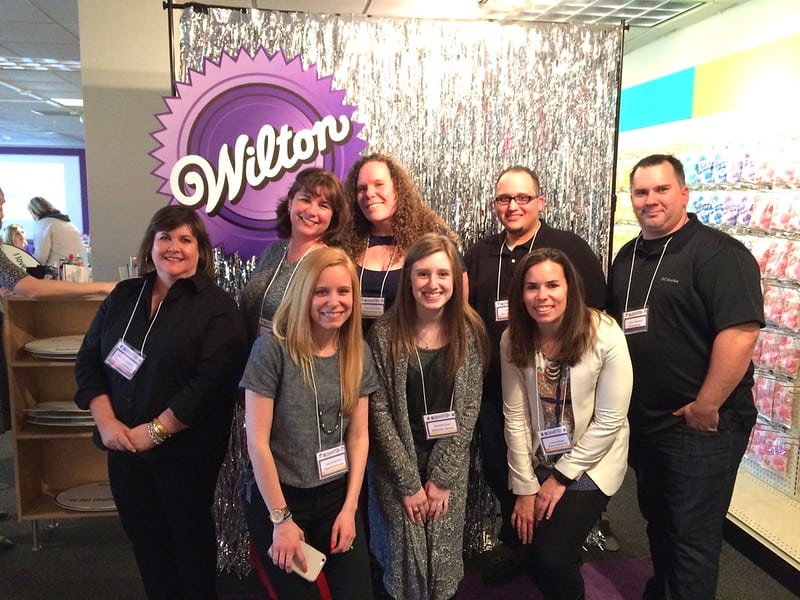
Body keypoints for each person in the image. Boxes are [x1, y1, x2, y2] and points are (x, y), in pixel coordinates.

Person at [608, 154, 764, 600]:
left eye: (661, 190)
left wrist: (706, 405)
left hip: (700, 426)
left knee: (692, 538)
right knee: (660, 523)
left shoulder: (719, 254)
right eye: (641, 192)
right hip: (648, 423)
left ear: (683, 193)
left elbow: (739, 333)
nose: (650, 200)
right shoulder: (628, 255)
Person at [74, 204, 248, 599]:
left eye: (185, 239)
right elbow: (88, 362)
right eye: (165, 237)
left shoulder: (217, 308)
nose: (174, 247)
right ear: (150, 245)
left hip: (185, 455)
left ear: (200, 250)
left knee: (188, 546)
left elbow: (211, 384)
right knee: (146, 544)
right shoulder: (124, 295)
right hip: (123, 449)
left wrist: (154, 432)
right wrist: (106, 423)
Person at [464, 165, 608, 582]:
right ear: (495, 205)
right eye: (504, 199)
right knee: (502, 468)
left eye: (522, 198)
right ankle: (521, 540)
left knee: (561, 474)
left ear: (540, 202)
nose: (513, 206)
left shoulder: (568, 249)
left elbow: (595, 315)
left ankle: (552, 546)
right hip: (498, 390)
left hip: (559, 392)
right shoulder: (480, 252)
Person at [240, 247, 378, 600]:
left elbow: (359, 437)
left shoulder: (357, 352)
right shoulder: (272, 350)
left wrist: (350, 509)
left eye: (343, 291)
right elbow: (257, 442)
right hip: (281, 497)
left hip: (335, 496)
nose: (334, 301)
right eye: (322, 291)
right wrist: (281, 520)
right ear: (304, 293)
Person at [501, 248, 631, 599]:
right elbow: (515, 416)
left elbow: (609, 421)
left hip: (593, 460)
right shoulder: (513, 337)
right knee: (528, 541)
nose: (542, 296)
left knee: (551, 557)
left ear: (569, 288)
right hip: (540, 457)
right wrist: (526, 484)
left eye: (552, 285)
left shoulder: (604, 333)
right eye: (531, 287)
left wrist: (560, 478)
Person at [367, 233, 489, 599]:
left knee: (442, 556)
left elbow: (468, 411)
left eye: (442, 274)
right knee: (401, 557)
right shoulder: (384, 334)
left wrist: (441, 478)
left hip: (446, 467)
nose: (432, 284)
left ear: (455, 279)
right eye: (423, 274)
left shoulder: (469, 333)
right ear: (409, 279)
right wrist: (408, 482)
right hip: (396, 465)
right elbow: (379, 411)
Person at [340, 153, 459, 333]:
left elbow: (457, 304)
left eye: (379, 185)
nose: (369, 194)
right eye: (362, 189)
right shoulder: (345, 242)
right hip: (354, 352)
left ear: (398, 189)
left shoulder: (433, 239)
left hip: (409, 352)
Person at [240, 167, 349, 341]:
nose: (312, 211)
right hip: (253, 360)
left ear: (332, 216)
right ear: (291, 203)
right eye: (306, 200)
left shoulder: (329, 265)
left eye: (323, 205)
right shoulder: (273, 251)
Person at [27, 196, 85, 266]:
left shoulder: (43, 224)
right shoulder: (68, 223)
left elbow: (41, 256)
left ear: (34, 212)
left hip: (57, 271)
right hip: (77, 269)